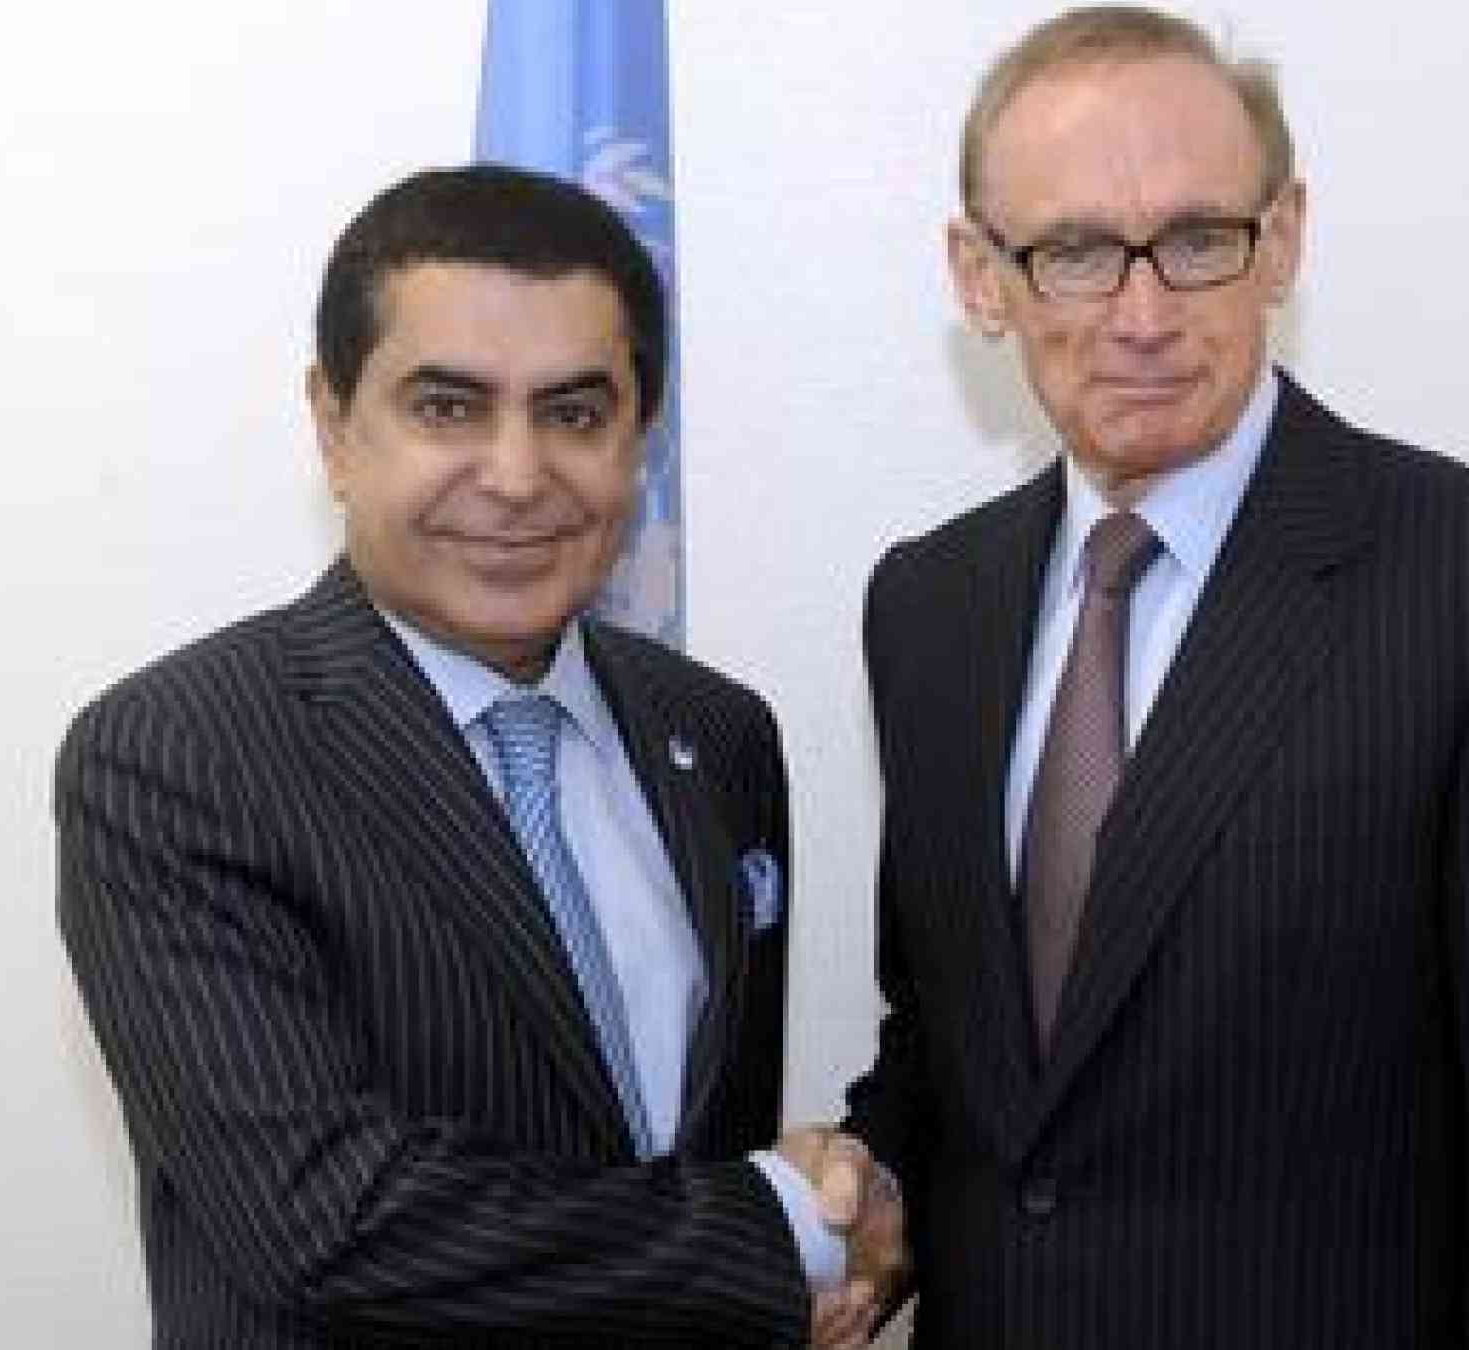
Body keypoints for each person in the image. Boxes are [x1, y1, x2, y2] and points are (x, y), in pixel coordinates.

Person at [839, 7, 1469, 1346]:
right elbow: (960, 1039)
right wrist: (866, 1190)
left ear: (1279, 240)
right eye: (1071, 251)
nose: (1142, 313)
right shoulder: (927, 603)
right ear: (980, 276)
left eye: (1196, 240)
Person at [57, 164, 892, 1348]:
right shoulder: (180, 753)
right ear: (334, 426)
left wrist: (805, 1262)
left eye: (575, 412)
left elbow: (690, 1146)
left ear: (639, 437)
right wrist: (776, 1231)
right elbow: (326, 1219)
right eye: (447, 408)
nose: (516, 475)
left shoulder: (718, 735)